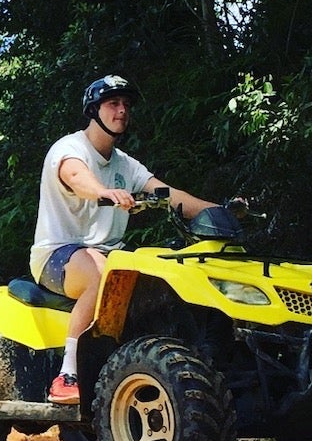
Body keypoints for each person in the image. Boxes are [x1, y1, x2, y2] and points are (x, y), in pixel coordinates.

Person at [30, 75, 218, 405]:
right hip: (58, 253)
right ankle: (67, 374)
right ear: (94, 109)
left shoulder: (124, 164)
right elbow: (76, 176)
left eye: (126, 105)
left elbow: (169, 194)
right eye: (113, 104)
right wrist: (103, 192)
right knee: (103, 275)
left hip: (110, 255)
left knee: (163, 277)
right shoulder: (70, 149)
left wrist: (220, 211)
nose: (122, 111)